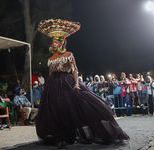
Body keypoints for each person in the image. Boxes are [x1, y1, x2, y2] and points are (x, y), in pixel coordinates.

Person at [36, 19, 129, 148]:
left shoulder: (69, 54)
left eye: (56, 41)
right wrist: (47, 87)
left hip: (66, 83)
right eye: (53, 42)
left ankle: (103, 133)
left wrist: (77, 84)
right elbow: (51, 73)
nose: (54, 43)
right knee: (56, 110)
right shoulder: (50, 58)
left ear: (61, 42)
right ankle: (60, 136)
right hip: (53, 85)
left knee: (80, 106)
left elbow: (75, 70)